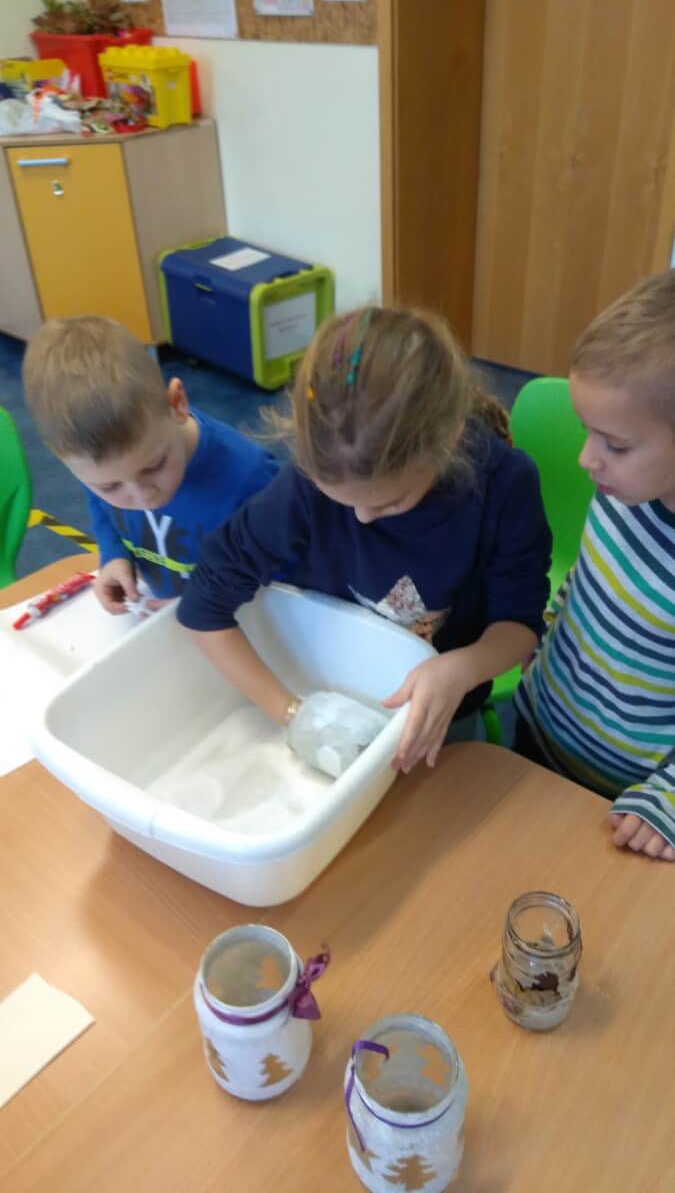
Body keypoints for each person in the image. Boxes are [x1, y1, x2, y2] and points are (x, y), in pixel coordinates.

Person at [177, 306, 551, 774]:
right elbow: (203, 605)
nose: (361, 518)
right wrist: (293, 715)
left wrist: (463, 668)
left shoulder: (505, 486)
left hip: (440, 710)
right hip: (328, 682)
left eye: (390, 503)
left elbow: (519, 624)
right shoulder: (305, 486)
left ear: (448, 439)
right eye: (339, 498)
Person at [514, 271, 675, 861]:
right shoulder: (623, 490)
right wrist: (542, 633)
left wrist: (669, 800)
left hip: (627, 801)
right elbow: (587, 582)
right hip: (539, 728)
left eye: (615, 444)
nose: (587, 459)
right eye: (587, 433)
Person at [22, 316, 278, 613]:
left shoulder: (252, 478)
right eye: (110, 487)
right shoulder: (100, 470)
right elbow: (99, 505)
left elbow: (288, 584)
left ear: (177, 403)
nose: (144, 498)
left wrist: (207, 608)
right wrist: (114, 556)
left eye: (154, 466)